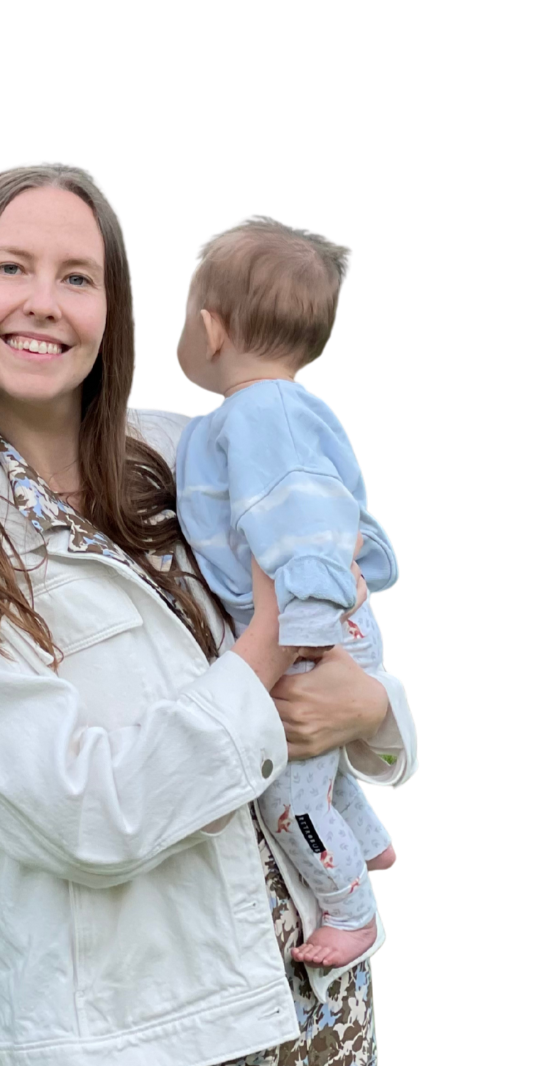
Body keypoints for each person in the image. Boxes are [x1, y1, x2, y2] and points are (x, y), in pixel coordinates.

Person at [0, 162, 418, 1066]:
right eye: (12, 268)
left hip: (320, 1019)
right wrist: (268, 652)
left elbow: (338, 599)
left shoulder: (184, 456)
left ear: (114, 311)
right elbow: (88, 814)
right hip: (157, 1062)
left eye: (77, 277)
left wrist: (373, 705)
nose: (44, 303)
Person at [174, 222, 400, 969]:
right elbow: (349, 511)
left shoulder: (257, 416)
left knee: (291, 801)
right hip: (337, 622)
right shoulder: (307, 409)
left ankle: (351, 913)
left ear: (209, 328)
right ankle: (370, 849)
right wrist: (369, 570)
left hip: (310, 637)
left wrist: (297, 639)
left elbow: (297, 525)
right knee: (328, 769)